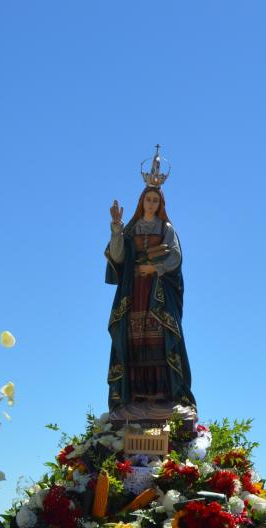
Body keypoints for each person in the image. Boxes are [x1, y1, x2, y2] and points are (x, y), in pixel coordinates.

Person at [104, 153, 194, 414]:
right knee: (134, 339)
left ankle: (164, 396)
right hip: (133, 293)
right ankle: (135, 398)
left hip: (157, 295)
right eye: (148, 199)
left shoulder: (166, 227)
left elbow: (176, 256)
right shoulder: (130, 229)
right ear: (141, 201)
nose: (151, 203)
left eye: (156, 200)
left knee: (159, 337)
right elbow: (118, 256)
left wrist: (154, 267)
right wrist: (116, 227)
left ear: (161, 203)